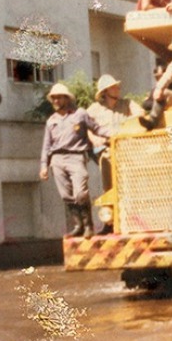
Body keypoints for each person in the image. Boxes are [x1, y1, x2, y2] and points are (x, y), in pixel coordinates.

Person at [39, 83, 111, 238]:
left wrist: (114, 134)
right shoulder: (51, 121)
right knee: (66, 195)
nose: (56, 101)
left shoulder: (80, 114)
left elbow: (97, 128)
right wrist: (44, 166)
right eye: (53, 98)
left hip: (76, 156)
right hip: (57, 159)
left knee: (80, 193)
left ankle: (88, 225)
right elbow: (46, 145)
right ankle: (78, 225)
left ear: (66, 98)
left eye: (59, 98)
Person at [86, 74, 142, 192]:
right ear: (105, 91)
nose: (118, 89)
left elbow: (141, 114)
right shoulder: (95, 108)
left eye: (117, 87)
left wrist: (127, 123)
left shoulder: (126, 104)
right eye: (114, 87)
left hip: (126, 148)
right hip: (106, 149)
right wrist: (94, 139)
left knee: (130, 184)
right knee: (110, 186)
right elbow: (83, 125)